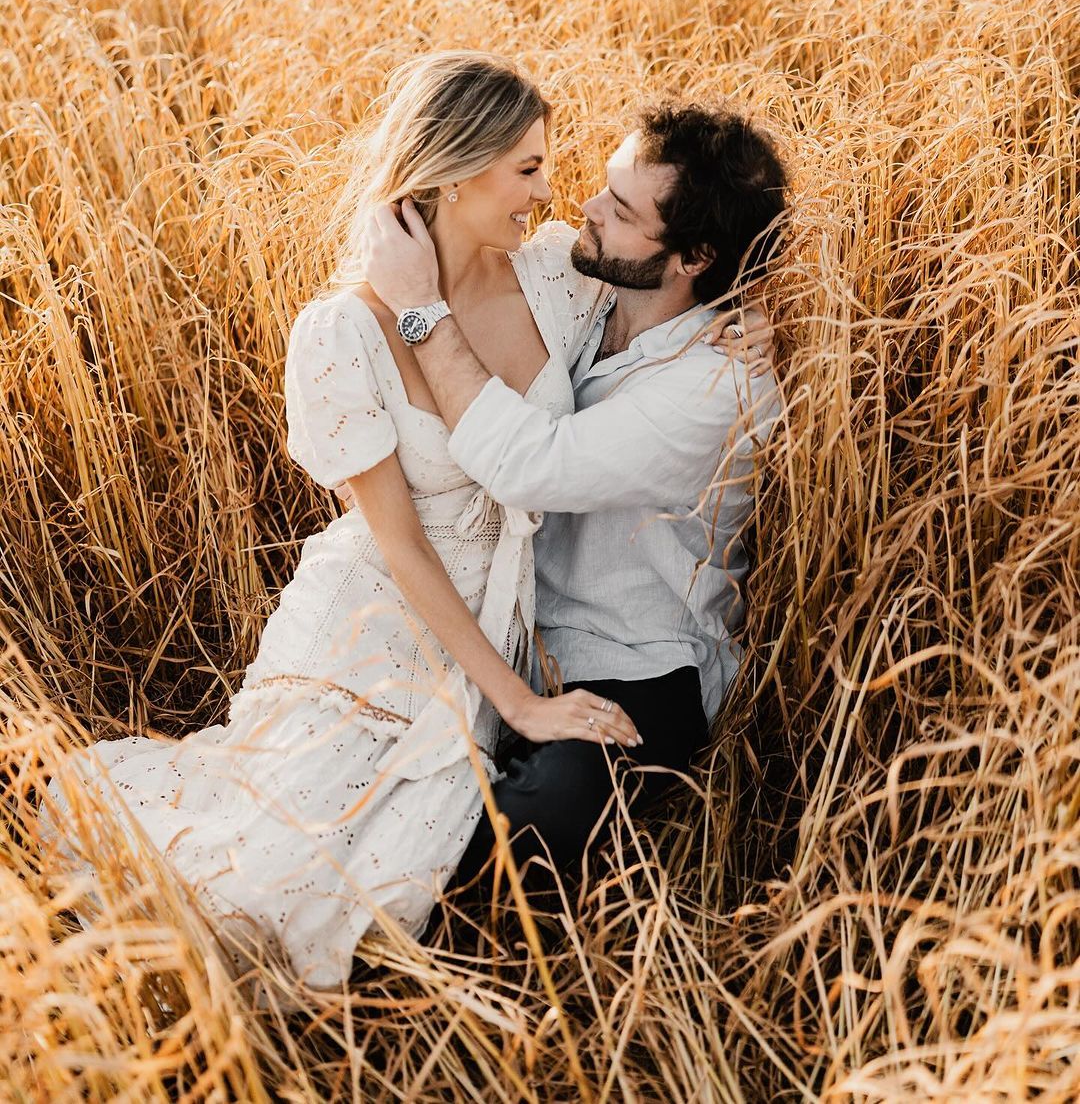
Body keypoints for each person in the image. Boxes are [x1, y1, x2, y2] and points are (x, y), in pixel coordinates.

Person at [39, 51, 760, 992]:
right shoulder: (344, 330)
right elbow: (400, 544)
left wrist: (742, 313)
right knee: (283, 871)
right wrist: (518, 702)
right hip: (380, 619)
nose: (556, 196)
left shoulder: (555, 277)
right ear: (456, 173)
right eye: (529, 169)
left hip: (514, 618)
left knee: (421, 843)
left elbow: (657, 307)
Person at [356, 98, 787, 901]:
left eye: (620, 209)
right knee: (369, 769)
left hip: (638, 667)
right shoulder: (579, 284)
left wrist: (421, 310)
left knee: (533, 821)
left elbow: (530, 466)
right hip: (507, 630)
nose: (583, 207)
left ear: (694, 257)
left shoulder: (717, 388)